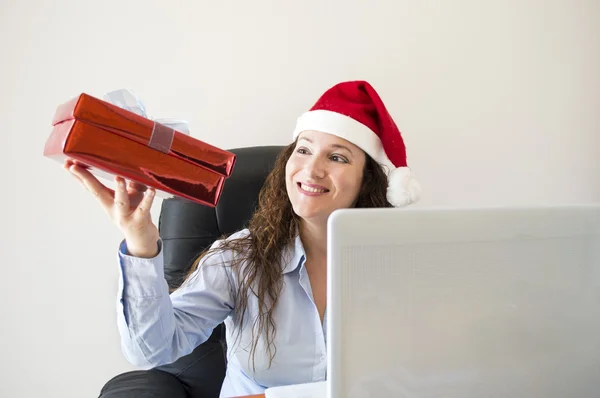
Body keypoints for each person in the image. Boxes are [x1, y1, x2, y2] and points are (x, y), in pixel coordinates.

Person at [65, 80, 421, 397]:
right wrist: (140, 242)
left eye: (337, 157)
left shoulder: (401, 269)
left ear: (368, 180)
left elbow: (420, 375)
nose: (311, 169)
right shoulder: (238, 258)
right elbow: (151, 350)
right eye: (303, 149)